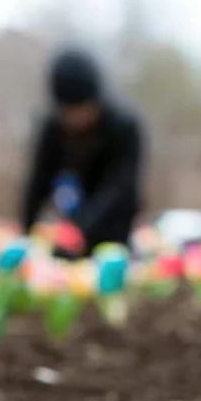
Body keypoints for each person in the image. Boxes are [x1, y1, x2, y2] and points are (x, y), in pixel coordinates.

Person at [21, 48, 145, 257]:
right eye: (68, 111)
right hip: (72, 224)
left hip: (114, 231)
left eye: (82, 108)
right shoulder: (53, 129)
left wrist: (77, 230)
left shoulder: (124, 126)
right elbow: (38, 182)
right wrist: (26, 233)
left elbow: (120, 190)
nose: (76, 119)